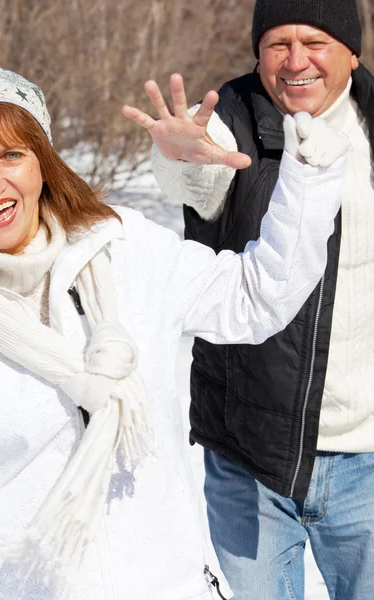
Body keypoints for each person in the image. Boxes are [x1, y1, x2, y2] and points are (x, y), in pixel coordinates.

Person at [0, 65, 348, 600]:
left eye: (11, 155)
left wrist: (308, 176)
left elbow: (257, 299)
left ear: (43, 163)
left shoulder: (125, 248)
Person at [122, 0, 374, 598]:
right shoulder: (229, 118)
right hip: (250, 458)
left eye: (313, 42)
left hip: (365, 453)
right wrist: (177, 160)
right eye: (276, 44)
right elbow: (199, 176)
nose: (294, 62)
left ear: (352, 51)